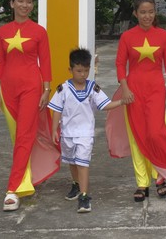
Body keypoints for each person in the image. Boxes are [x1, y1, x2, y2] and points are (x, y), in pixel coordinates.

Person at [106, 0, 166, 202]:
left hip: (157, 89)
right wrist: (125, 88)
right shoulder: (127, 37)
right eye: (143, 12)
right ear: (135, 13)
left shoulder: (163, 35)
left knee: (156, 133)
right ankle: (142, 183)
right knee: (137, 136)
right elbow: (120, 64)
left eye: (151, 12)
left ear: (155, 12)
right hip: (134, 91)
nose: (147, 16)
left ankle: (160, 175)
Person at [0, 0, 60, 211]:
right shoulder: (2, 32)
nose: (25, 5)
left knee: (24, 136)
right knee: (18, 137)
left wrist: (46, 89)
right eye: (20, 1)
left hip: (32, 88)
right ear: (12, 4)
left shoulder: (39, 31)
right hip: (8, 91)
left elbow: (46, 62)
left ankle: (12, 190)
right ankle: (27, 177)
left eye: (29, 2)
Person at [49, 48, 124, 213]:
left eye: (86, 70)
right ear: (70, 70)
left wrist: (120, 102)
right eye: (79, 70)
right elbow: (57, 110)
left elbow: (104, 105)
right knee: (72, 161)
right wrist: (55, 129)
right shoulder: (63, 89)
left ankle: (84, 196)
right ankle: (76, 184)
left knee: (83, 163)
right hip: (67, 133)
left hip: (85, 133)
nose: (83, 74)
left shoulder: (93, 88)